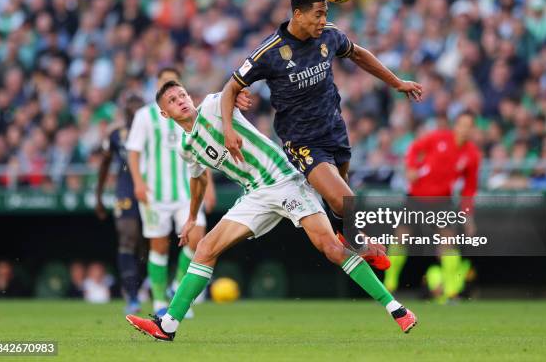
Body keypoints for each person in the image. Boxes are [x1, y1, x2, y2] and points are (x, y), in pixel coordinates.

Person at [125, 81, 417, 341]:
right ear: (165, 114)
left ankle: (397, 309)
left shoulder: (214, 105)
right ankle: (168, 324)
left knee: (329, 248)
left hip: (285, 181)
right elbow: (198, 177)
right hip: (255, 195)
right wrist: (191, 217)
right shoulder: (187, 146)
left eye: (183, 94)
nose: (182, 101)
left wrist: (238, 95)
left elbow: (232, 87)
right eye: (173, 101)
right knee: (205, 248)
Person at [222, 0, 423, 269]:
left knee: (341, 204)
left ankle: (347, 238)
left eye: (325, 14)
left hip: (335, 131)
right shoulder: (270, 51)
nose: (322, 20)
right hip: (302, 141)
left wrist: (397, 82)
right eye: (317, 14)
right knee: (346, 202)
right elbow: (231, 88)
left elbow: (358, 53)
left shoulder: (328, 34)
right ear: (298, 14)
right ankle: (358, 243)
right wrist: (229, 130)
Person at [126, 68, 208, 316]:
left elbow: (203, 151)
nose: (169, 87)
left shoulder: (191, 112)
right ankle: (160, 303)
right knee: (159, 247)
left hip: (186, 191)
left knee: (198, 240)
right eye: (163, 82)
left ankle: (177, 287)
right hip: (155, 194)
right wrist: (138, 183)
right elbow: (133, 151)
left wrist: (209, 186)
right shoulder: (144, 116)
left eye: (173, 83)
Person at [384, 112, 481, 302]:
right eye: (462, 124)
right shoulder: (438, 138)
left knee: (448, 243)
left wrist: (468, 216)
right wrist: (410, 168)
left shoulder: (472, 154)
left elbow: (469, 189)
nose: (465, 129)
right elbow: (413, 149)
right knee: (401, 238)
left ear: (473, 129)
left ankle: (453, 292)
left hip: (443, 201)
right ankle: (389, 286)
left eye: (469, 126)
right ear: (456, 125)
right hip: (416, 197)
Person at [95, 93, 145, 314]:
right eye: (130, 109)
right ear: (125, 113)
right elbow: (105, 163)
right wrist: (98, 195)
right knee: (127, 238)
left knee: (149, 243)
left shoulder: (156, 131)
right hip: (125, 188)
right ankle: (132, 296)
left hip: (151, 187)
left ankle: (144, 286)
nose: (134, 113)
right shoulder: (116, 134)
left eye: (138, 109)